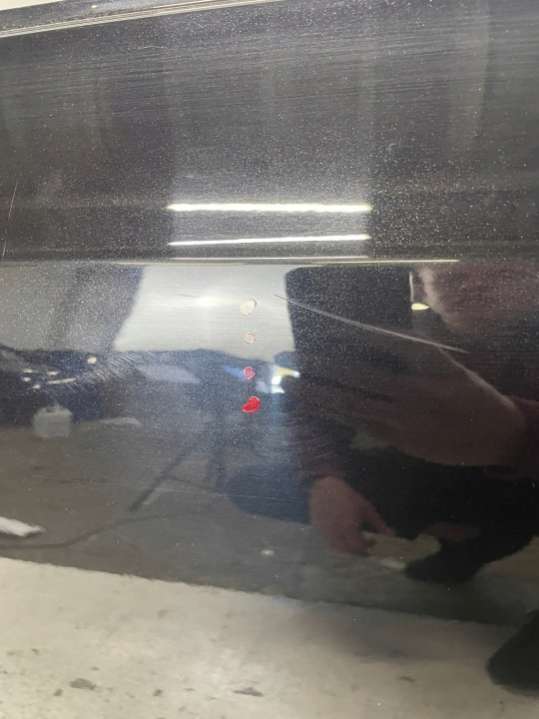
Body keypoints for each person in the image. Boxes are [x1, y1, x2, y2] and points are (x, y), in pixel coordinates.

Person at [288, 261, 539, 691]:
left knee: (514, 674)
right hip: (455, 480)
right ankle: (471, 541)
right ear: (420, 284)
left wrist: (520, 436)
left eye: (495, 263)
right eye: (449, 270)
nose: (471, 278)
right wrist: (324, 478)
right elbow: (315, 405)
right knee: (265, 484)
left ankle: (493, 534)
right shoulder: (399, 342)